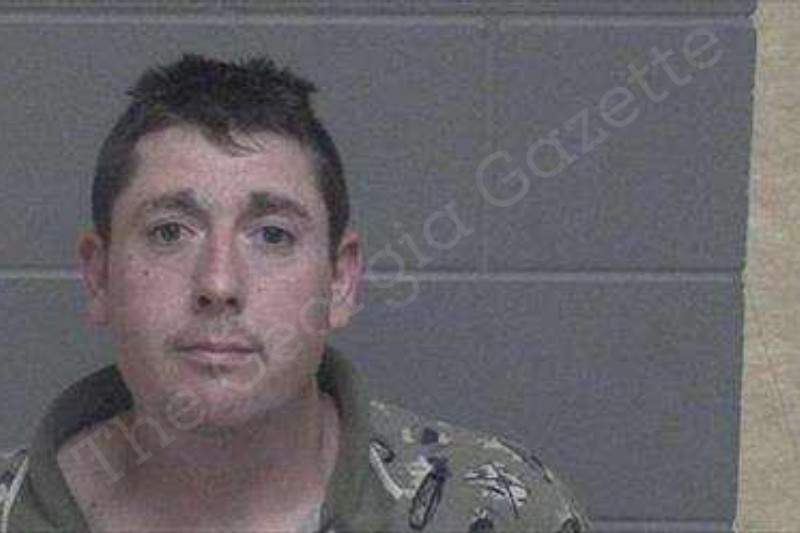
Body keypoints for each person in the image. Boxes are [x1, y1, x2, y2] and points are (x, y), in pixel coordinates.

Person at [0, 54, 589, 533]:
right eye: (169, 232)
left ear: (341, 281)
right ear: (99, 276)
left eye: (273, 235)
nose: (219, 284)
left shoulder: (495, 510)